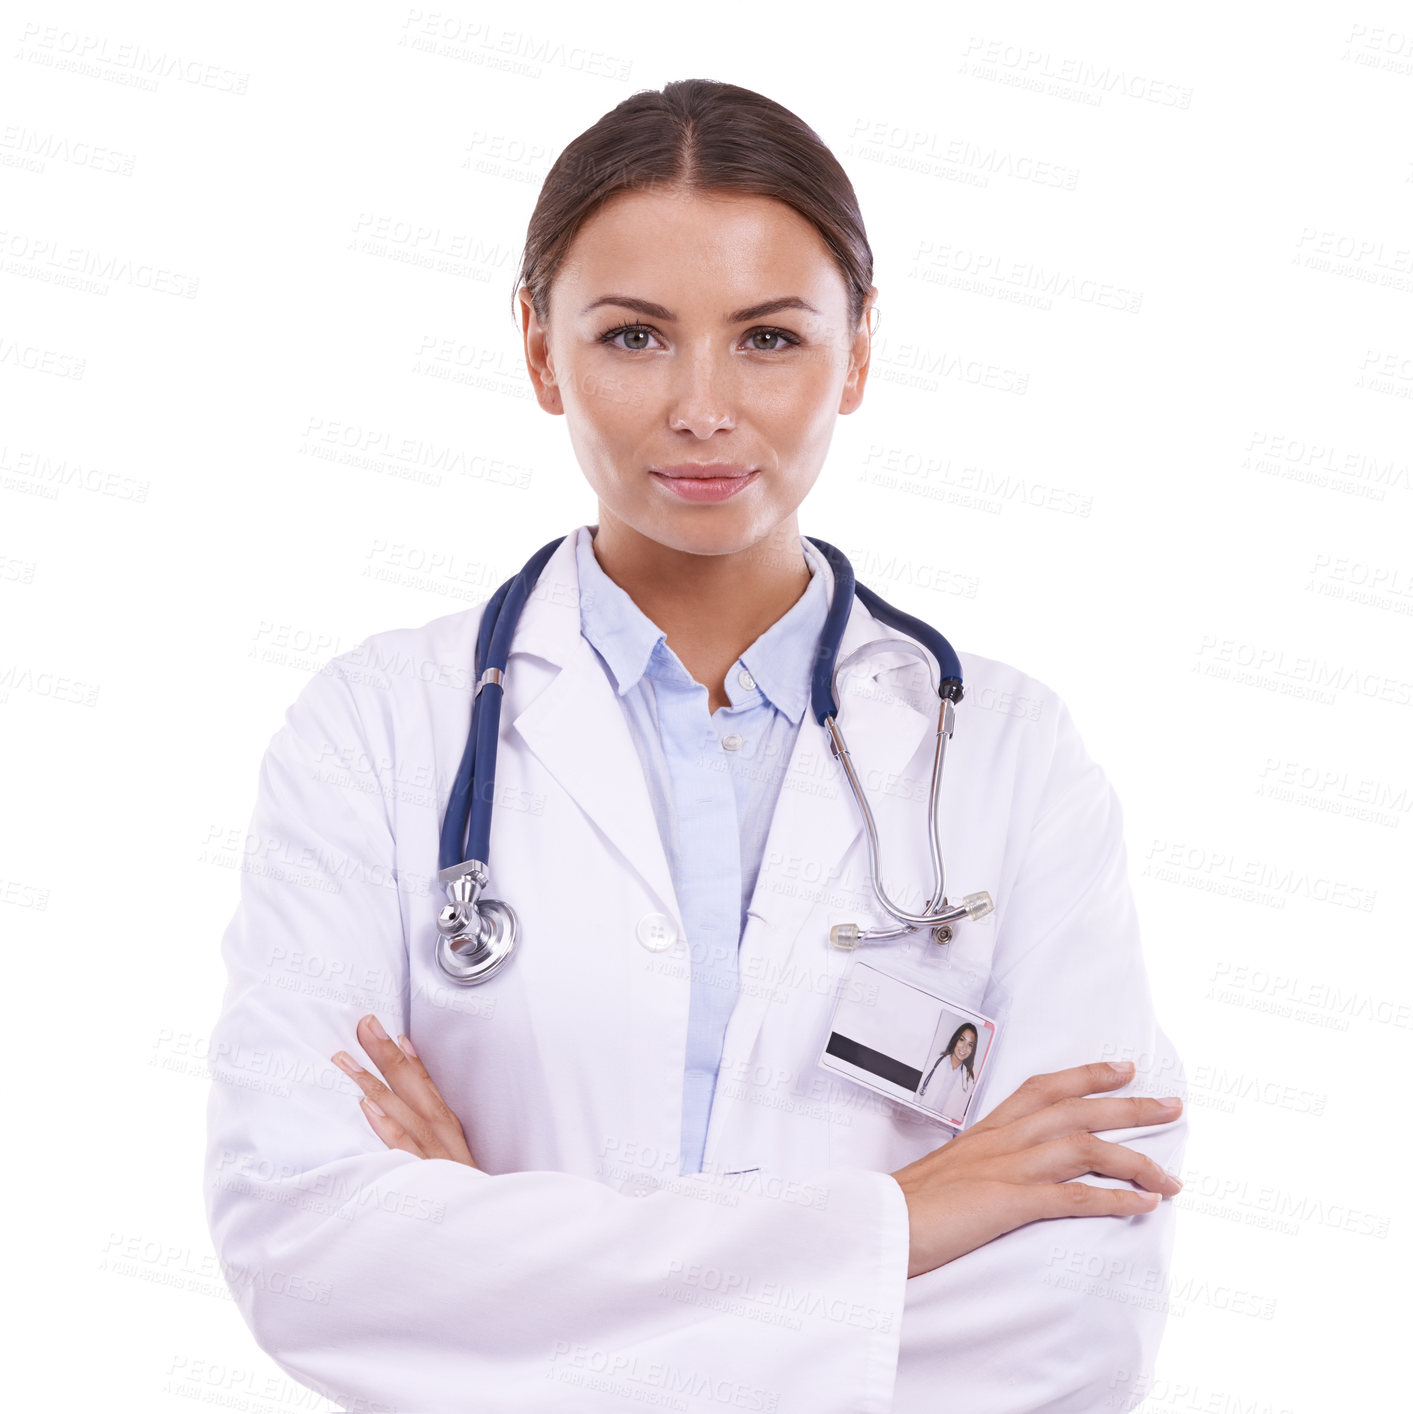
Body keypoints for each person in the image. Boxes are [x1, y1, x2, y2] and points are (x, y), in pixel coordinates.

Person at [204, 78, 1187, 1414]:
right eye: (634, 336)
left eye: (770, 338)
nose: (704, 407)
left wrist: (493, 1256)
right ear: (542, 352)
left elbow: (1072, 1316)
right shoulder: (377, 731)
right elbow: (308, 1245)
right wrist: (901, 1220)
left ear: (861, 349)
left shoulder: (1009, 758)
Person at [918, 1023, 978, 1120]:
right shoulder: (934, 1062)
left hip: (940, 1127)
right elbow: (917, 1095)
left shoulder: (969, 1081)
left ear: (972, 1050)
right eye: (962, 1040)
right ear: (955, 1040)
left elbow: (960, 1114)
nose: (964, 1047)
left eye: (970, 1044)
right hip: (918, 1117)